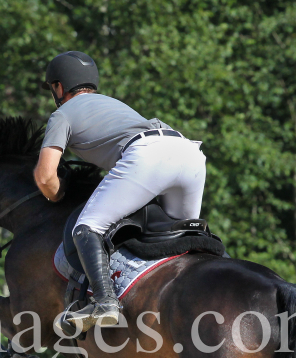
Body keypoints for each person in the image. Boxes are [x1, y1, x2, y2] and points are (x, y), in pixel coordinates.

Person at [33, 51, 207, 329]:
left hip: (148, 154)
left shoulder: (62, 114)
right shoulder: (112, 104)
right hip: (189, 152)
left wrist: (57, 194)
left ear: (59, 87)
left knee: (86, 227)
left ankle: (104, 303)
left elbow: (45, 178)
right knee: (182, 239)